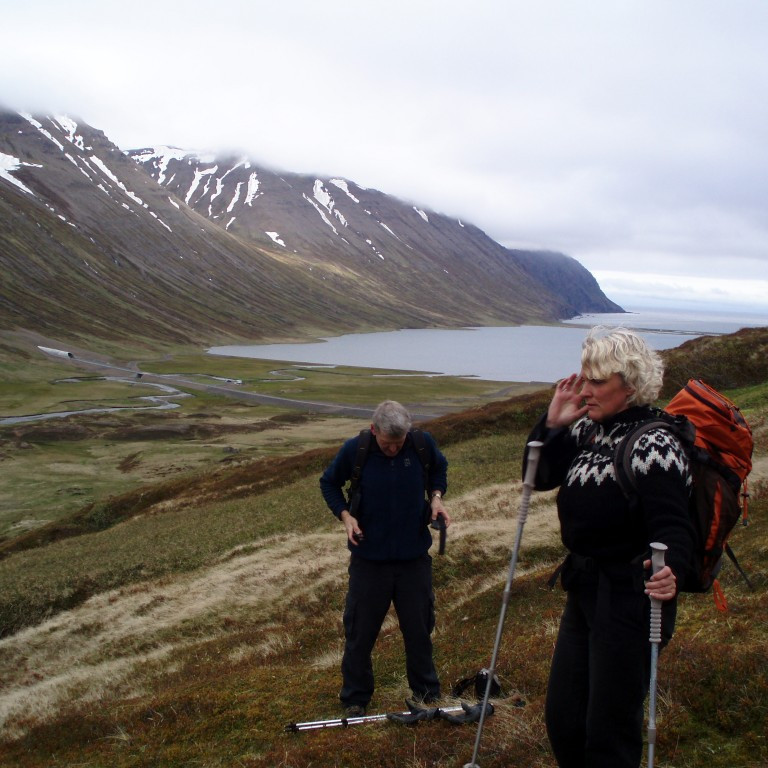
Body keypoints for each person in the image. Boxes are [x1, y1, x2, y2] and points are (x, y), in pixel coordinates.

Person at [523, 327, 695, 768]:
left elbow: (675, 526)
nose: (586, 390)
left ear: (631, 386)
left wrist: (672, 569)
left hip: (631, 601)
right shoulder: (588, 430)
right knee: (564, 720)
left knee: (609, 730)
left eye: (598, 382)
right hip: (584, 591)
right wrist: (552, 424)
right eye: (584, 378)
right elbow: (536, 478)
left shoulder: (654, 443)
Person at [320, 400, 451, 717]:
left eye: (399, 443)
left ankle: (426, 695)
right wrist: (346, 516)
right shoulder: (356, 449)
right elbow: (329, 483)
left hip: (413, 561)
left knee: (419, 631)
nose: (393, 449)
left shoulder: (421, 444)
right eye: (387, 444)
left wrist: (436, 499)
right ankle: (355, 698)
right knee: (360, 633)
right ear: (373, 430)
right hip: (369, 561)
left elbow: (439, 470)